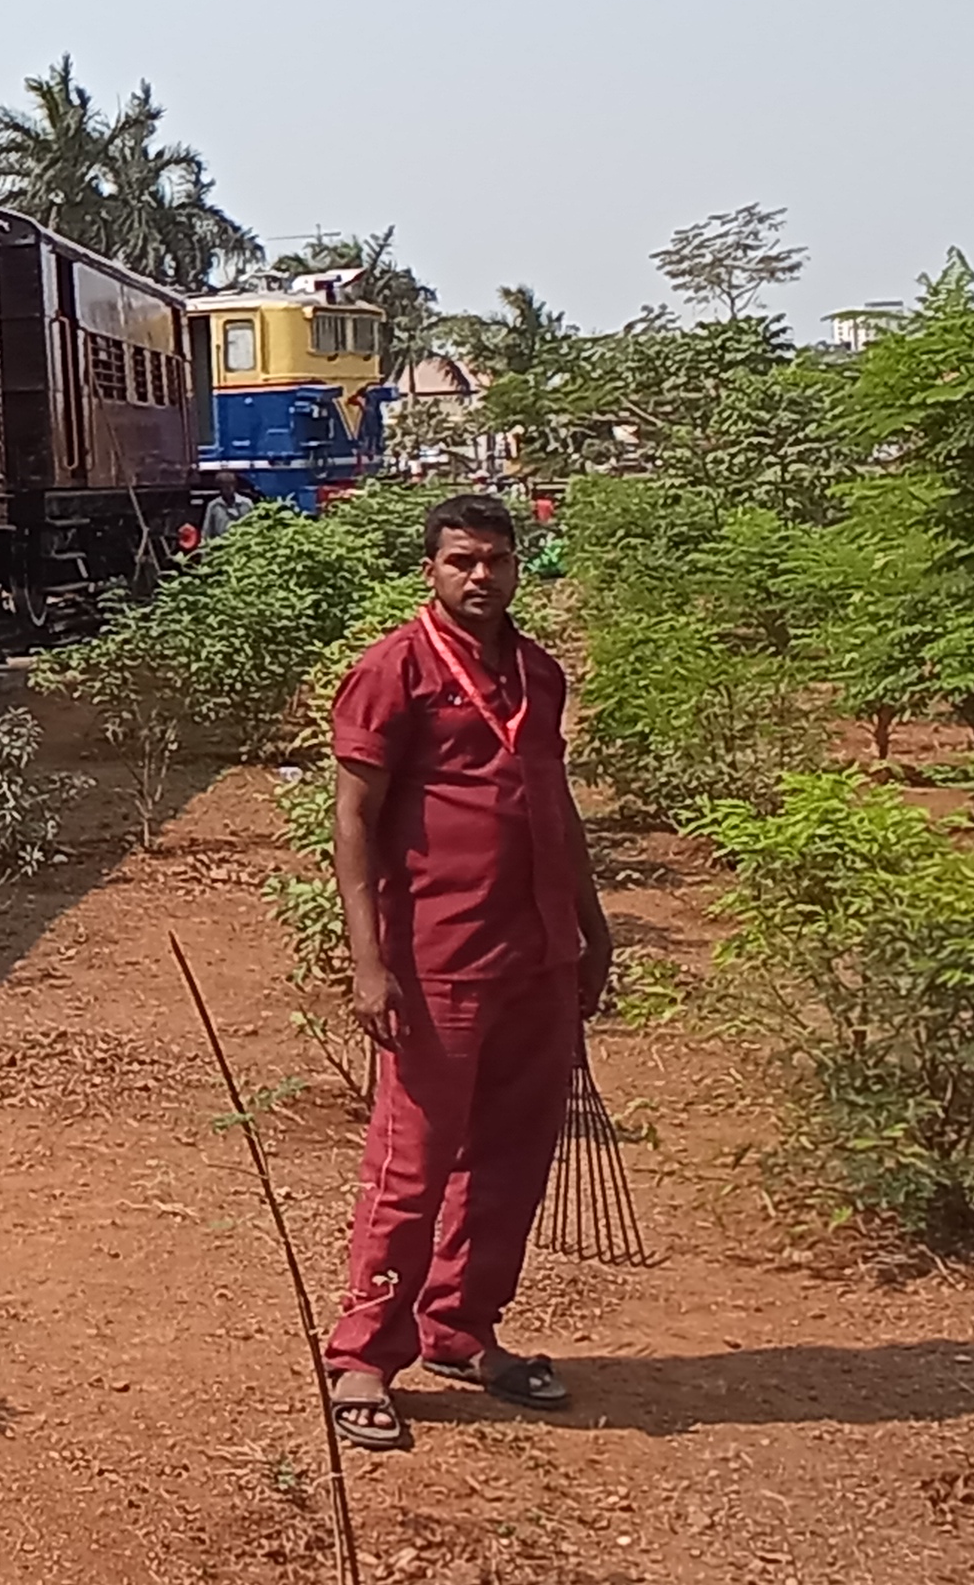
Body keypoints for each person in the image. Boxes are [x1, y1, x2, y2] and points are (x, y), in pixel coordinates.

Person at [318, 490, 611, 1452]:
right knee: (414, 1166)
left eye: (495, 559)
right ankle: (364, 1352)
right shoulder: (391, 671)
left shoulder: (538, 672)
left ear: (520, 564)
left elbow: (553, 799)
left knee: (515, 1159)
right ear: (430, 570)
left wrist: (591, 925)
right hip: (437, 958)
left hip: (536, 953)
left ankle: (461, 1327)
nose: (479, 576)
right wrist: (370, 964)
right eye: (460, 561)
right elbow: (353, 822)